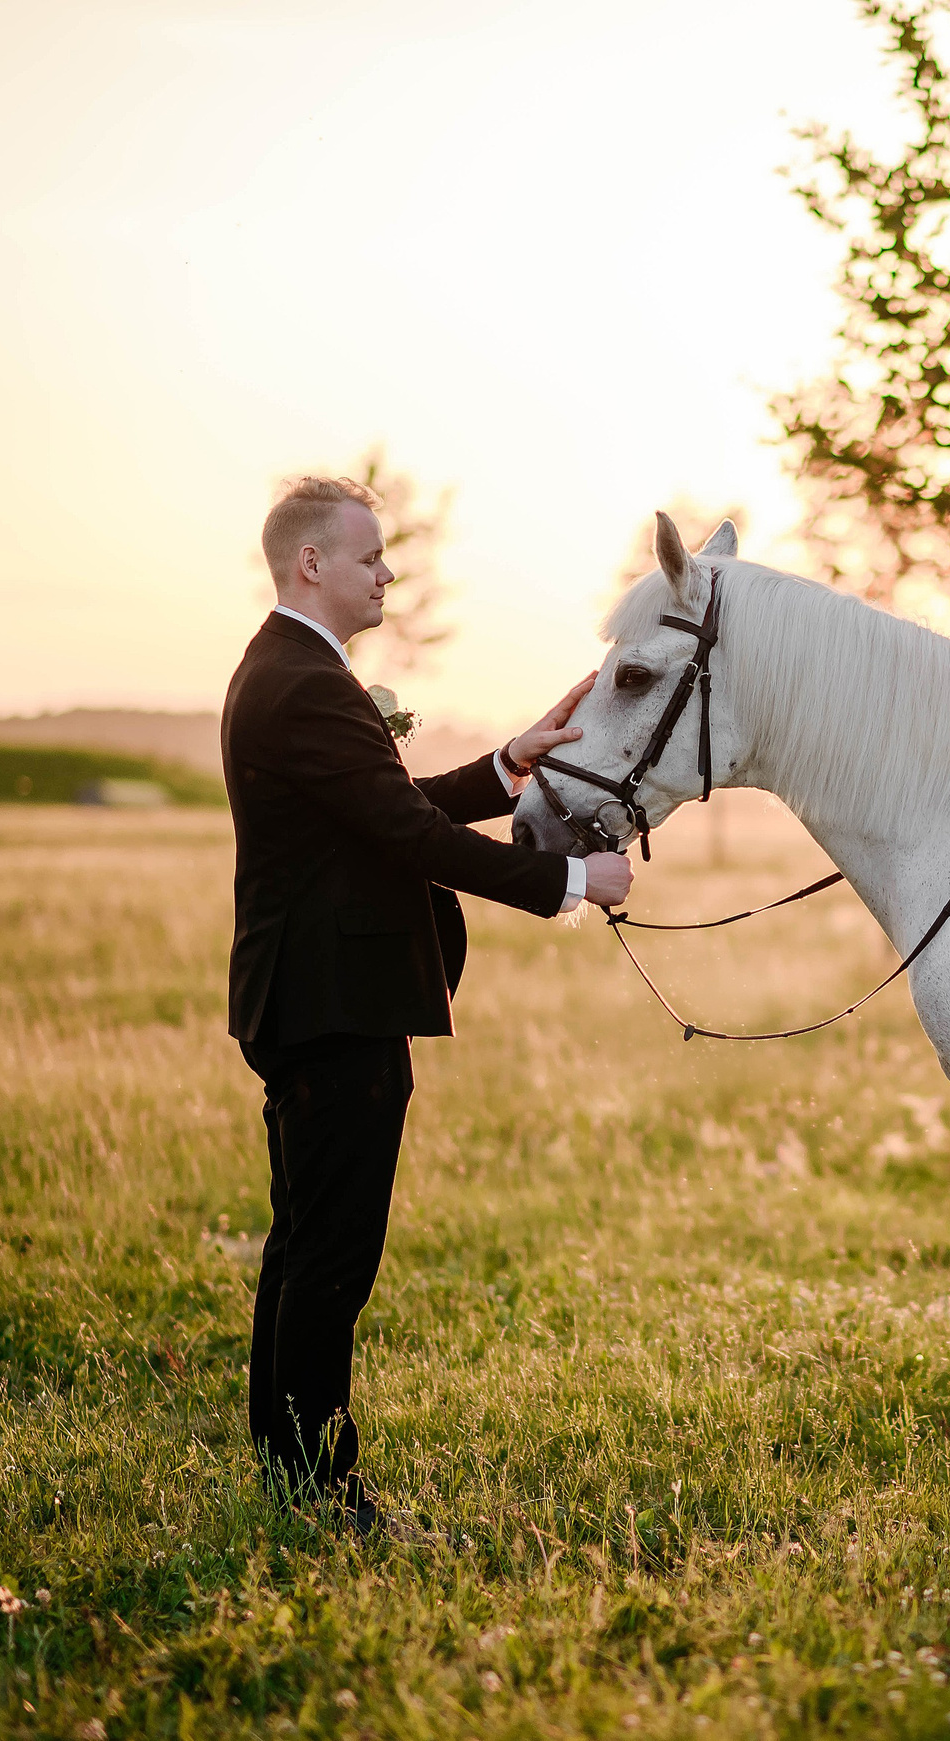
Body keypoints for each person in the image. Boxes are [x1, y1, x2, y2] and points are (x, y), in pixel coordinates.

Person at [222, 475, 634, 1536]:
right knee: (332, 1254)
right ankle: (325, 1493)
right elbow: (407, 840)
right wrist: (572, 883)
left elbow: (384, 812)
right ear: (312, 563)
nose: (387, 572)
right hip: (334, 1005)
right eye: (369, 557)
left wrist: (508, 764)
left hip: (317, 999)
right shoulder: (303, 680)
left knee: (305, 1244)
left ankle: (289, 1468)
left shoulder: (296, 672)